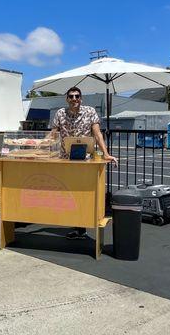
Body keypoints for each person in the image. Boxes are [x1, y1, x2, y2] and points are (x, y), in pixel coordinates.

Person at [49, 86, 117, 239]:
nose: (74, 99)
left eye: (77, 96)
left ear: (81, 98)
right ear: (67, 99)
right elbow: (53, 135)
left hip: (85, 160)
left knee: (84, 193)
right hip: (65, 159)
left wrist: (106, 153)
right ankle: (78, 227)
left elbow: (97, 134)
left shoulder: (90, 111)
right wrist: (43, 149)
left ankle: (83, 226)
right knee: (68, 192)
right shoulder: (60, 113)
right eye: (71, 96)